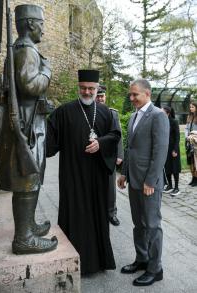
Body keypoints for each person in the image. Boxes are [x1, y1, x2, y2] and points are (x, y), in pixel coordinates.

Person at [0, 4, 58, 254]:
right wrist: (47, 71)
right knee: (27, 179)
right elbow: (30, 85)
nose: (43, 29)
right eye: (41, 23)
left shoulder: (21, 49)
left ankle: (28, 225)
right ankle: (24, 238)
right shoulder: (27, 51)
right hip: (27, 127)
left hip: (29, 122)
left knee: (31, 178)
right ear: (30, 24)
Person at [46, 69, 121, 275]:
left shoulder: (106, 112)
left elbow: (115, 135)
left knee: (97, 214)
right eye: (83, 88)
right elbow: (49, 140)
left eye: (91, 89)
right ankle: (70, 258)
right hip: (72, 175)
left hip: (96, 176)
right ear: (78, 88)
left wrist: (101, 143)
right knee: (74, 213)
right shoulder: (63, 112)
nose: (87, 92)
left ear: (97, 89)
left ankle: (98, 261)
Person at [117, 78, 169, 287]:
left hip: (149, 182)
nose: (132, 98)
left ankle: (155, 269)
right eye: (130, 94)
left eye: (135, 94)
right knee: (139, 224)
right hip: (134, 180)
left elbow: (160, 152)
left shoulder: (158, 116)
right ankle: (142, 259)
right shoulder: (133, 117)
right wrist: (124, 173)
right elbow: (130, 148)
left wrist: (151, 180)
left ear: (147, 93)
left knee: (152, 225)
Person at [96, 85, 124, 226]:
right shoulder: (89, 112)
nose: (100, 98)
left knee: (110, 188)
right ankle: (96, 213)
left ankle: (111, 213)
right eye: (98, 96)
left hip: (109, 156)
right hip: (93, 157)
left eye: (102, 96)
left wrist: (119, 155)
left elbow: (118, 135)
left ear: (105, 97)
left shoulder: (112, 113)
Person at [162, 106, 181, 196]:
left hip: (173, 149)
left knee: (175, 168)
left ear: (168, 113)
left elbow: (177, 137)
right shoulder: (162, 121)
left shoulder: (174, 122)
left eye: (163, 112)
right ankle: (170, 185)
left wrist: (175, 149)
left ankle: (176, 188)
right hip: (165, 149)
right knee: (167, 167)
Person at [185, 100, 197, 187]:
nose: (191, 108)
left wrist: (193, 134)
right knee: (190, 161)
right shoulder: (189, 116)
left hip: (195, 142)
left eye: (192, 107)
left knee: (196, 161)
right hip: (189, 142)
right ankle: (193, 178)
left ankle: (196, 180)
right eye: (190, 107)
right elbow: (186, 128)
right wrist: (186, 136)